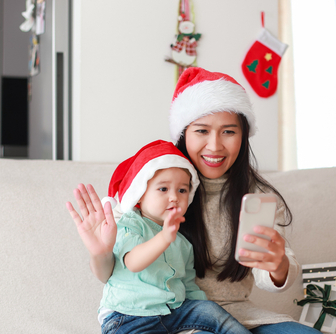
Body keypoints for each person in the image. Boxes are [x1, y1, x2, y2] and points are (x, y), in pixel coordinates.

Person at [68, 67, 322, 333]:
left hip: (237, 315)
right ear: (183, 134)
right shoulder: (152, 185)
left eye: (228, 132)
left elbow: (272, 276)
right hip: (167, 315)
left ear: (243, 136)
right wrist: (100, 253)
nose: (214, 146)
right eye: (202, 131)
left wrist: (277, 264)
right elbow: (113, 272)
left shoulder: (257, 195)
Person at [67, 140, 252, 334]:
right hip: (128, 316)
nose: (174, 197)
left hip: (173, 312)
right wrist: (164, 237)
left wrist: (200, 309)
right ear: (140, 195)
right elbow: (133, 262)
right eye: (163, 189)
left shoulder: (182, 242)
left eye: (182, 190)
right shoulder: (129, 223)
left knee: (210, 310)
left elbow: (187, 285)